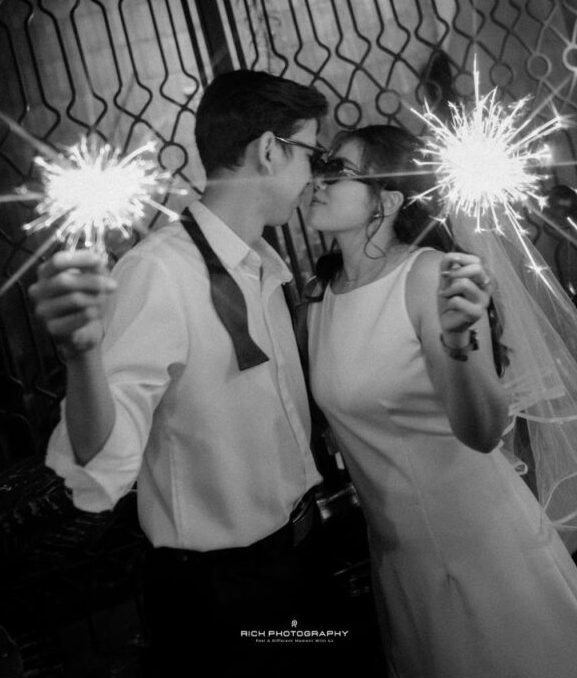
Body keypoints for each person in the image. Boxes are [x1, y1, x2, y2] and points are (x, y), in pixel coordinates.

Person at [29, 69, 362, 678]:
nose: (314, 177)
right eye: (311, 155)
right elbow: (103, 463)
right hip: (224, 592)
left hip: (300, 557)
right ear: (270, 150)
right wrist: (80, 358)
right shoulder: (160, 272)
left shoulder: (263, 266)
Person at [305, 122, 577, 678]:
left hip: (478, 542)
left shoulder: (431, 277)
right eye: (321, 165)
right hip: (398, 555)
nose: (319, 179)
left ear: (387, 200)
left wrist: (460, 345)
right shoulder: (320, 299)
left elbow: (483, 433)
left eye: (338, 170)